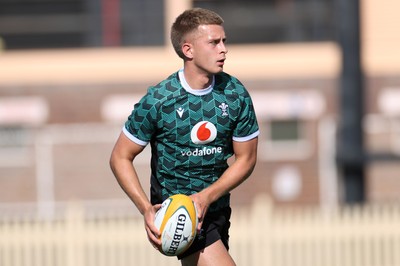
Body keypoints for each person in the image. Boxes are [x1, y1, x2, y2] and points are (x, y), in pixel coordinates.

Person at [109, 7, 259, 266]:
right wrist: (146, 208)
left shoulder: (235, 94)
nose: (223, 49)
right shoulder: (159, 100)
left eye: (224, 41)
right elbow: (120, 157)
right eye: (213, 42)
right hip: (180, 214)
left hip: (216, 208)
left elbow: (246, 159)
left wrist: (207, 197)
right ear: (188, 50)